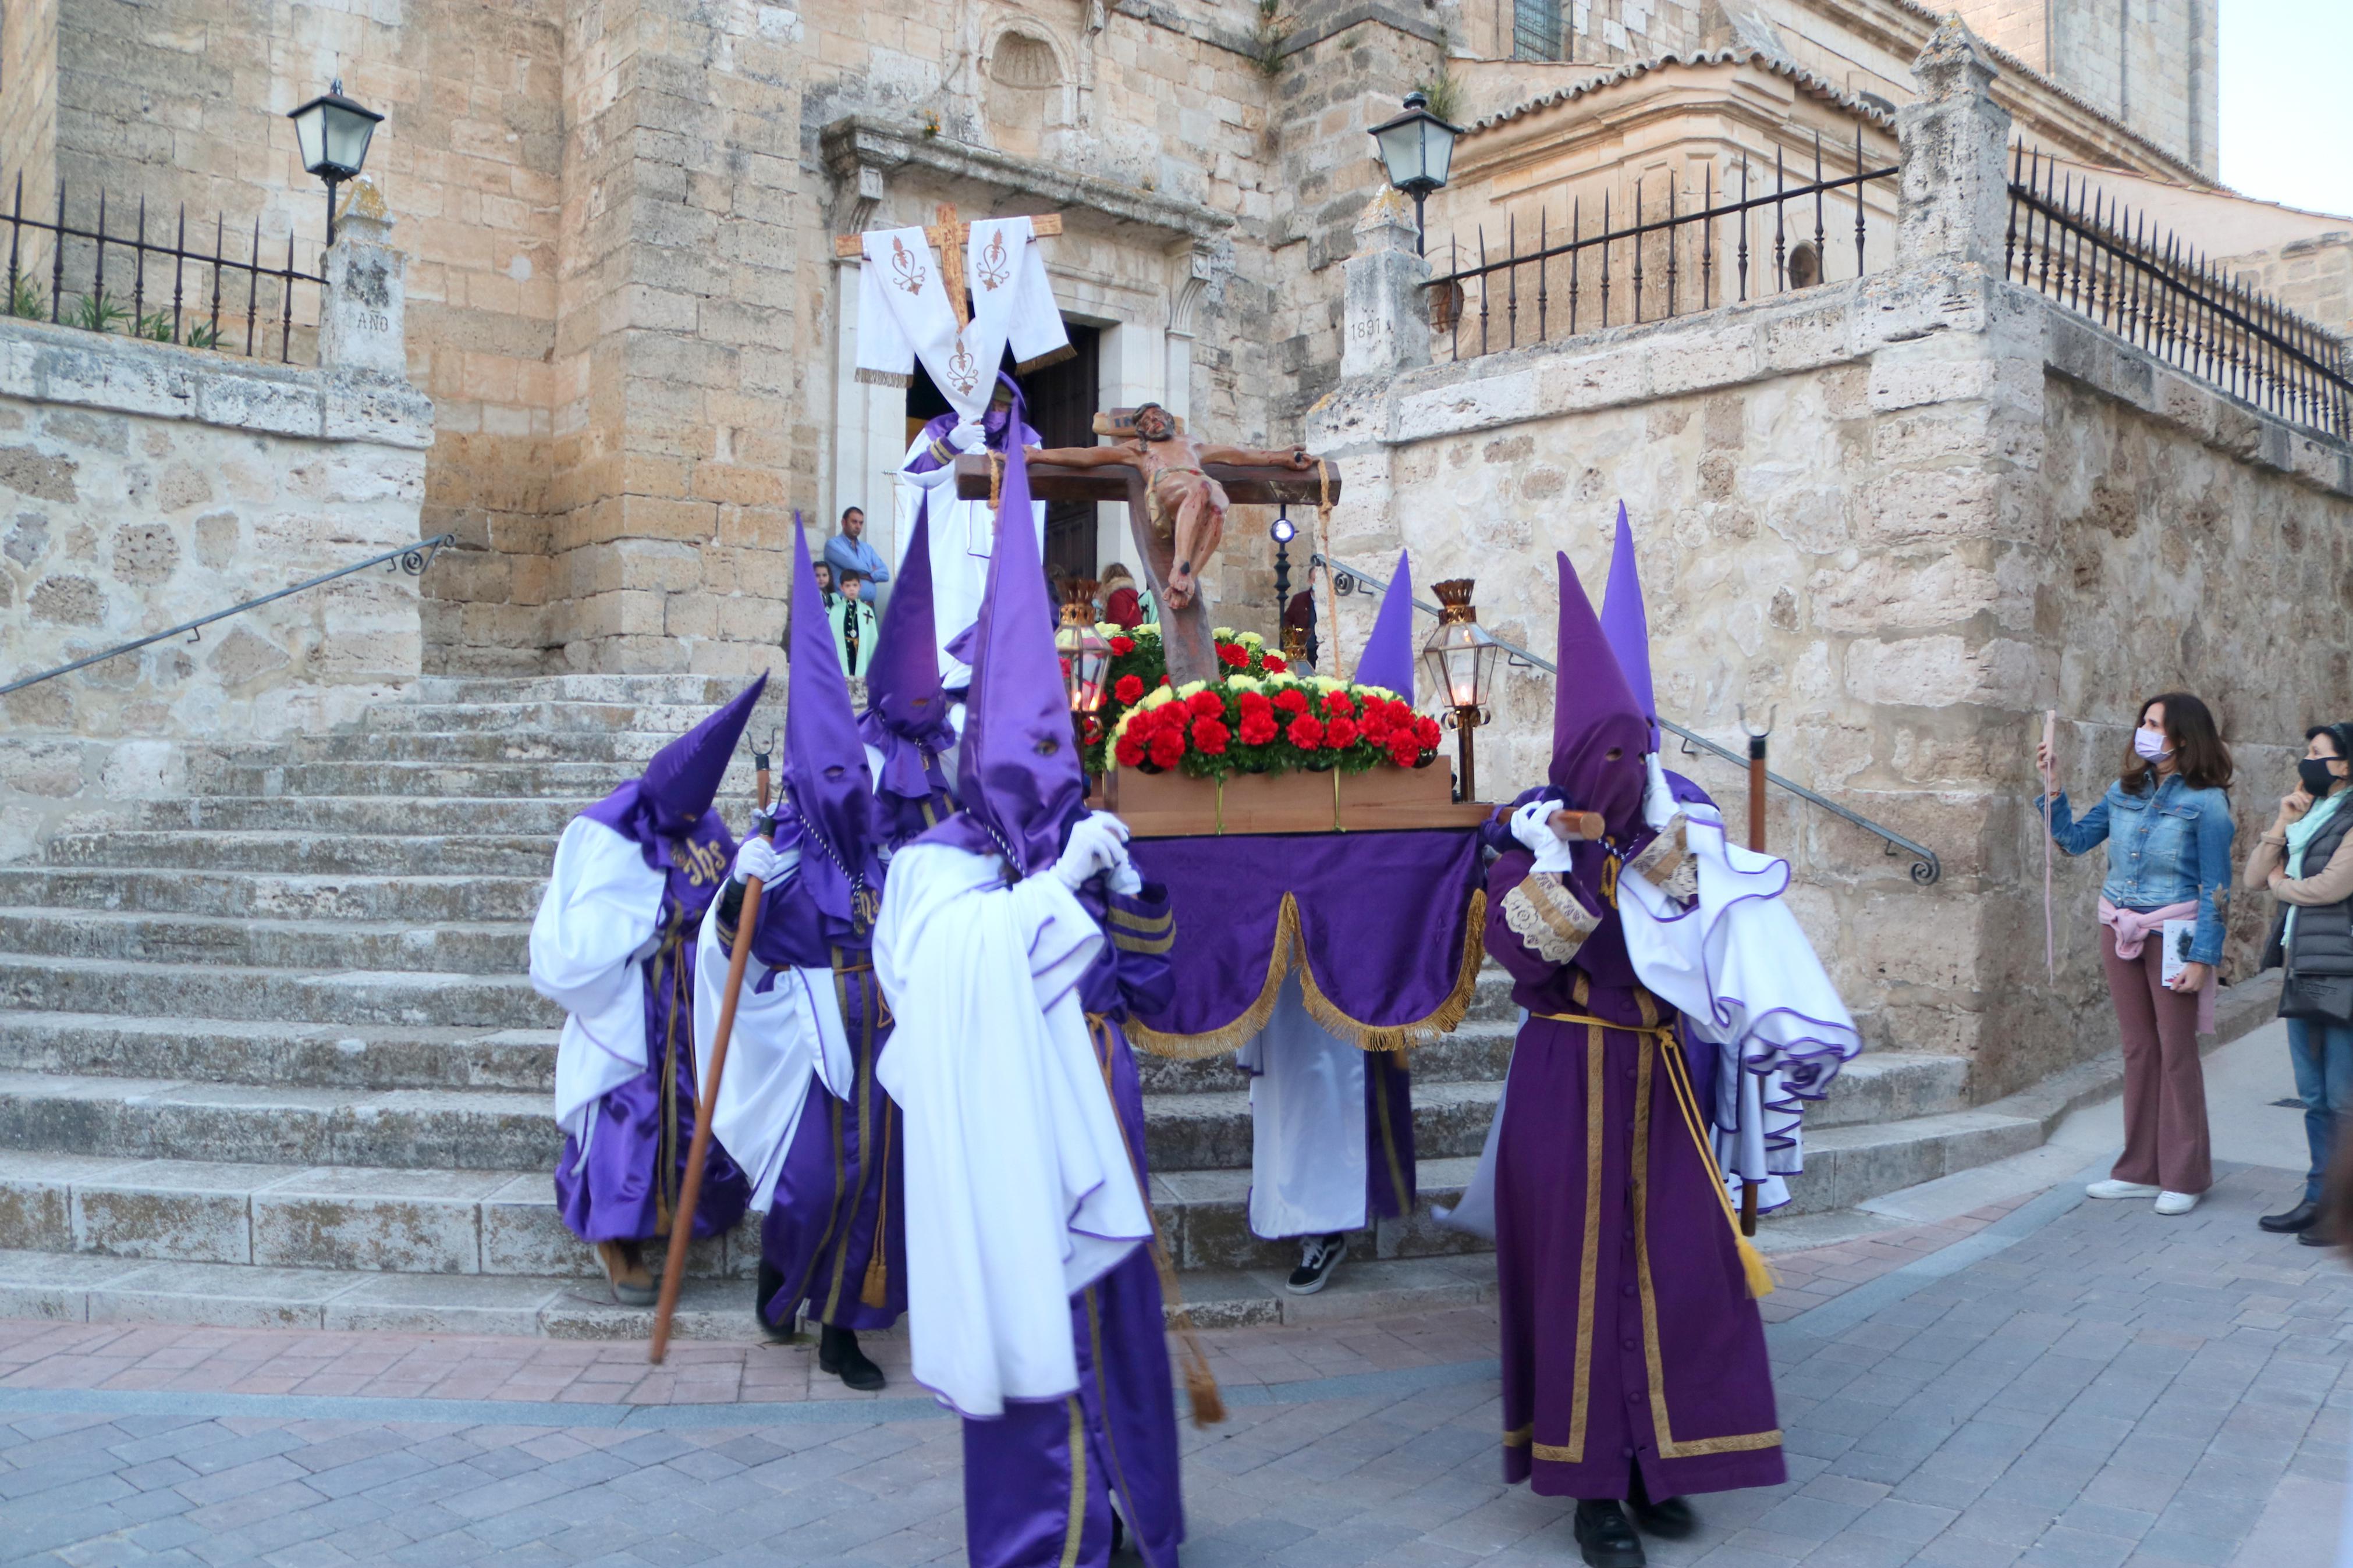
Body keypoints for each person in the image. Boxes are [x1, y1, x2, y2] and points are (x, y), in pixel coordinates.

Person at [874, 439, 1184, 1567]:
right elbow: (941, 973)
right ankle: (1040, 1538)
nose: (1044, 775)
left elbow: (1150, 986)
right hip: (1005, 1135)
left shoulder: (1082, 841)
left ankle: (1135, 1515)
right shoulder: (936, 865)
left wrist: (1131, 886)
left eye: (1056, 748)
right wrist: (1048, 891)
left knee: (1114, 1321)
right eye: (1028, 752)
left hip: (1104, 1104)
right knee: (1031, 1318)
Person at [1482, 552, 1796, 1568]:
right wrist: (1555, 862)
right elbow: (1524, 952)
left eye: (1638, 752)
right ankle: (1590, 1488)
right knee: (1579, 1274)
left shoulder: (1677, 829)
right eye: (1605, 755)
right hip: (1566, 1076)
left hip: (1662, 1079)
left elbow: (1716, 942)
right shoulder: (1526, 838)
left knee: (1673, 1266)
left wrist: (1674, 845)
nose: (1622, 770)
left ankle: (1659, 1460)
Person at [699, 529, 904, 1392]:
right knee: (814, 1190)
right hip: (815, 1052)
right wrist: (730, 901)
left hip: (887, 1039)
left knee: (876, 1194)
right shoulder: (779, 849)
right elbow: (726, 958)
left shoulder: (893, 841)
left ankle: (842, 1331)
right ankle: (780, 1284)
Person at [528, 678, 760, 1305]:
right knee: (627, 1109)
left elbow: (726, 902)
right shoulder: (609, 834)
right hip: (632, 999)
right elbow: (579, 935)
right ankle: (617, 1237)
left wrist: (749, 877)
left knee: (691, 1107)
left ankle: (680, 1216)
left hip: (691, 997)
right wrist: (640, 929)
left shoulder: (706, 824)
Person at [1236, 549, 1419, 1296]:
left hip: (1348, 975)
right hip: (1286, 969)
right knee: (1291, 1094)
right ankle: (1295, 1217)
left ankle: (1328, 1224)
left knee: (1331, 1094)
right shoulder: (1286, 775)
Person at [2040, 693, 2235, 1215]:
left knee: (2176, 1052)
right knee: (2137, 1049)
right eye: (2143, 722)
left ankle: (2184, 1174)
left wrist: (2203, 956)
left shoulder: (2207, 803)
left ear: (2183, 739)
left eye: (2154, 724)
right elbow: (2075, 840)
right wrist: (2053, 788)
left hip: (2174, 934)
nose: (2143, 731)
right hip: (2116, 926)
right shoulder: (2123, 790)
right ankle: (2138, 1170)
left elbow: (2217, 886)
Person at [2244, 720, 2353, 1246]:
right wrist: (2283, 822)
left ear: (2345, 766)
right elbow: (2251, 876)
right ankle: (2316, 1199)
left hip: (2344, 971)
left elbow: (2332, 887)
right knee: (2313, 1096)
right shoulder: (2306, 815)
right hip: (2304, 966)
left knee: (2342, 1098)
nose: (2305, 761)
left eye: (2317, 753)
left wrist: (2281, 884)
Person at [898, 374, 1044, 688]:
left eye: (1005, 405)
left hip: (1000, 557)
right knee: (947, 633)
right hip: (949, 555)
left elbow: (1035, 500)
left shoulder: (1027, 442)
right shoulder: (939, 431)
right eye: (992, 404)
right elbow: (913, 480)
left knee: (998, 644)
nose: (997, 412)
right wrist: (952, 445)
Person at [825, 505, 888, 603]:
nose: (858, 526)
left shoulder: (867, 548)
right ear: (844, 523)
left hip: (868, 609)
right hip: (844, 605)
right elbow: (856, 567)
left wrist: (866, 575)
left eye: (861, 523)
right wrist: (873, 570)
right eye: (854, 522)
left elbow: (885, 574)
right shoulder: (833, 545)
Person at [829, 567, 878, 678]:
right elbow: (832, 636)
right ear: (842, 588)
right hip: (843, 653)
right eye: (848, 586)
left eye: (855, 585)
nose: (852, 589)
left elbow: (872, 638)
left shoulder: (867, 611)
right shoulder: (836, 611)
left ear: (860, 587)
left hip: (860, 653)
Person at [1101, 562, 1152, 631]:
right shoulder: (1129, 593)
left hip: (1124, 638)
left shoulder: (1117, 595)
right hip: (1135, 635)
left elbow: (1118, 621)